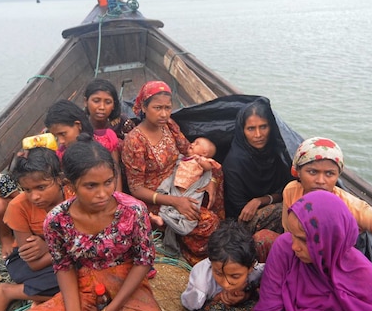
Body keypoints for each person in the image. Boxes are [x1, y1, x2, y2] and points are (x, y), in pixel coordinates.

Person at [0, 136, 168, 311]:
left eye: (108, 182)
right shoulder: (57, 219)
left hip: (126, 282)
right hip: (84, 283)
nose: (102, 193)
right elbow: (64, 266)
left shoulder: (133, 210)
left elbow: (143, 261)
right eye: (91, 186)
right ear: (70, 185)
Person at [282, 137, 372, 306]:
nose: (321, 181)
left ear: (338, 175)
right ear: (297, 172)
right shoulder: (291, 192)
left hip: (336, 266)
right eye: (312, 172)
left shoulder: (353, 210)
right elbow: (289, 235)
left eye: (329, 173)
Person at [121, 80, 220, 265]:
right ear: (144, 106)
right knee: (208, 223)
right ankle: (188, 251)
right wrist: (176, 202)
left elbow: (187, 150)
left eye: (168, 107)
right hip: (158, 197)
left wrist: (209, 180)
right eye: (158, 108)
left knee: (215, 170)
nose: (164, 114)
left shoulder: (169, 125)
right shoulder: (135, 141)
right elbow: (136, 189)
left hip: (180, 181)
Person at [0, 146, 70, 311]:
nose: (35, 196)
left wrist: (49, 246)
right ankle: (8, 292)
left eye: (41, 187)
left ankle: (38, 295)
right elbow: (34, 263)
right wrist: (62, 248)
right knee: (70, 281)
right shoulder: (18, 207)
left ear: (59, 180)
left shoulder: (73, 196)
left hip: (59, 252)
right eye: (27, 190)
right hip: (27, 262)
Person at [173, 221, 265, 311]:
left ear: (250, 268)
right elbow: (190, 305)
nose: (226, 283)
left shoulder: (257, 271)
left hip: (245, 307)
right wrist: (217, 299)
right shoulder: (201, 279)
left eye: (235, 276)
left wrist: (246, 295)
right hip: (213, 307)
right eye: (218, 273)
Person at [222, 97, 292, 233]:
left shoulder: (277, 152)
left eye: (263, 127)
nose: (258, 135)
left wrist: (261, 200)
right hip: (242, 221)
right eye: (251, 129)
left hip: (268, 204)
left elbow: (288, 189)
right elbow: (240, 211)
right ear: (242, 131)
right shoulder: (234, 163)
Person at [45, 99, 123, 191]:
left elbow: (116, 170)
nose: (61, 141)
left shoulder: (105, 139)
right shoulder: (61, 155)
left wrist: (118, 199)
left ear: (78, 125)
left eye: (63, 134)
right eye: (56, 137)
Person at [153, 136, 221, 235]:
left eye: (197, 143)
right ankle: (161, 218)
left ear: (204, 153)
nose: (192, 144)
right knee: (167, 206)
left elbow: (208, 168)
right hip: (175, 189)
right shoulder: (183, 158)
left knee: (189, 216)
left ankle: (167, 221)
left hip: (189, 193)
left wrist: (200, 160)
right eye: (193, 142)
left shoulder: (202, 161)